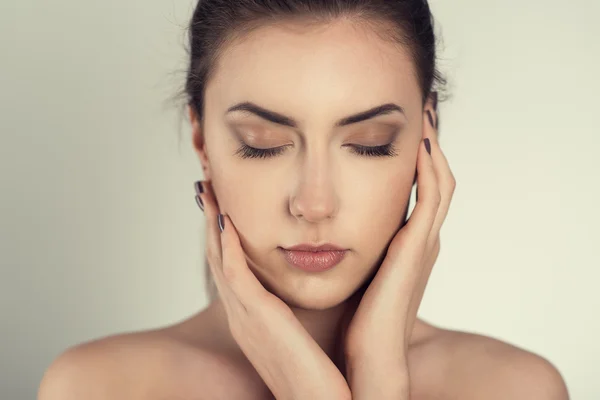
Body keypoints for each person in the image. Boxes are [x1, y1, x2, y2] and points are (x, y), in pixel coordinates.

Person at [38, 1, 570, 399]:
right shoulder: (99, 386)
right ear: (202, 140)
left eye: (370, 143)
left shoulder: (513, 387)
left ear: (426, 136)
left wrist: (380, 374)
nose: (314, 204)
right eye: (262, 145)